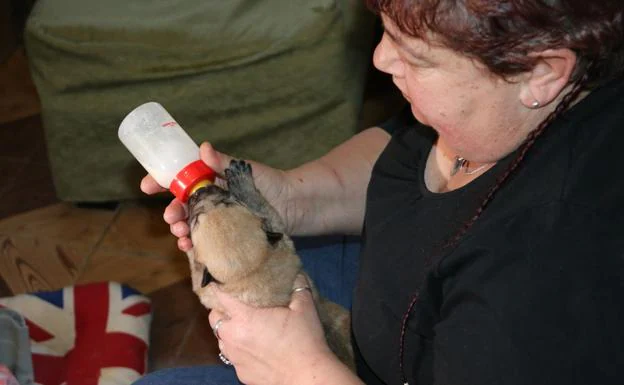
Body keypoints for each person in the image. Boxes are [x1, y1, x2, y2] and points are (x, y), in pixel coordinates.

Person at [134, 0, 624, 384]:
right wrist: (289, 197)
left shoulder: (540, 278)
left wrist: (298, 372)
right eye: (387, 31)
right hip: (393, 297)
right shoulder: (498, 112)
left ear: (540, 71)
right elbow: (403, 150)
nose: (381, 59)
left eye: (416, 55)